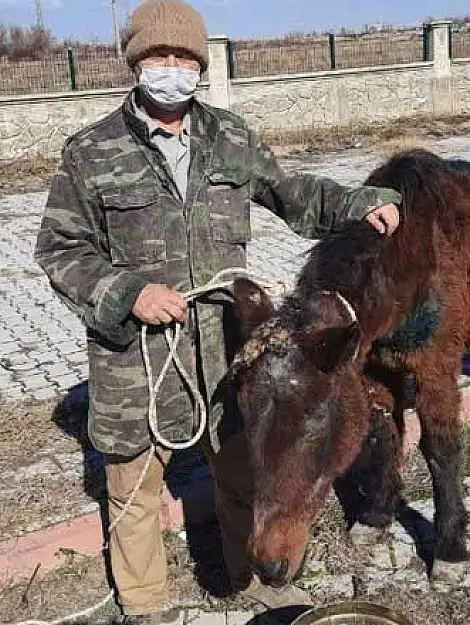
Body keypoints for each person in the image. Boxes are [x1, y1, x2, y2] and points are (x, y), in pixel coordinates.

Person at [34, 1, 401, 622]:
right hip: (138, 358)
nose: (171, 68)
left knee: (241, 469)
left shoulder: (230, 137)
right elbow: (59, 249)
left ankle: (254, 581)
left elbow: (293, 194)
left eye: (184, 58)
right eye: (158, 56)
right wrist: (128, 294)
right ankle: (144, 605)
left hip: (231, 350)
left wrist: (359, 199)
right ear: (135, 62)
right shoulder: (92, 153)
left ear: (200, 65)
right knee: (134, 488)